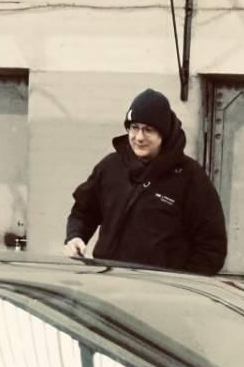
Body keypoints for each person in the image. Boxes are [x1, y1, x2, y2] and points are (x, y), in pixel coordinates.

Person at [63, 88, 226, 274]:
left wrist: (179, 283)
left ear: (164, 134)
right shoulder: (110, 167)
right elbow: (83, 212)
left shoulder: (190, 177)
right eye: (134, 128)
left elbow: (212, 247)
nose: (139, 137)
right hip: (108, 281)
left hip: (159, 287)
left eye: (149, 130)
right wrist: (75, 236)